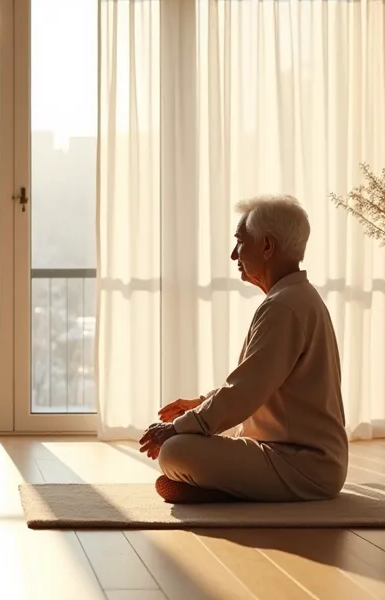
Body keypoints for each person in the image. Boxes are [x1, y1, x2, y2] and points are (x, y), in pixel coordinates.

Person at [138, 195, 348, 503]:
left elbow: (244, 393)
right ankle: (222, 488)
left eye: (240, 242)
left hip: (304, 466)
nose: (233, 254)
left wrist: (177, 428)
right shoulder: (295, 298)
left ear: (267, 246)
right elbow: (257, 385)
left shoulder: (284, 306)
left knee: (175, 450)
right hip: (299, 458)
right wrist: (199, 404)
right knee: (187, 440)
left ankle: (223, 490)